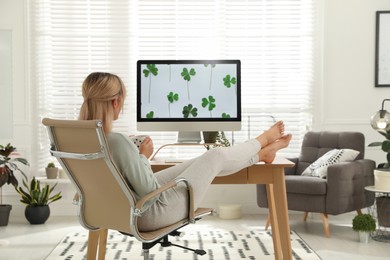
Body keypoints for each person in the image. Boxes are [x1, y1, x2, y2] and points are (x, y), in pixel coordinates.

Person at [79, 72, 292, 231]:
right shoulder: (116, 141)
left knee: (202, 162)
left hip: (117, 211)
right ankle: (263, 140)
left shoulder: (82, 140)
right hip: (148, 213)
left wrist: (134, 157)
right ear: (116, 102)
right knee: (215, 155)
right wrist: (142, 156)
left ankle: (262, 154)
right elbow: (148, 193)